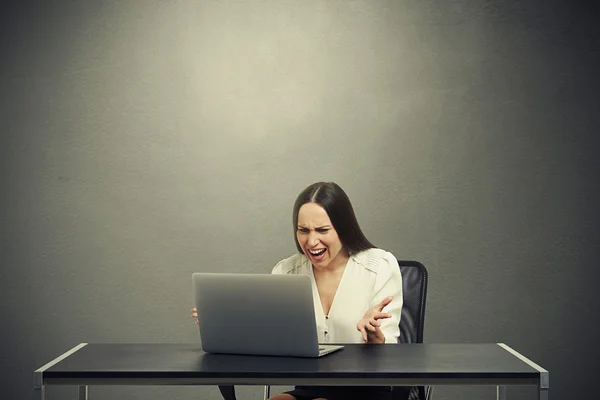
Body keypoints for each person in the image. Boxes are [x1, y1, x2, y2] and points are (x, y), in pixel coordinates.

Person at [192, 182, 403, 400]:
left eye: (322, 230)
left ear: (343, 227)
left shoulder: (380, 266)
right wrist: (227, 325)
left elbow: (389, 355)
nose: (311, 242)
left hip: (367, 389)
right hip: (312, 387)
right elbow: (266, 335)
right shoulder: (286, 271)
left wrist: (375, 338)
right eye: (304, 230)